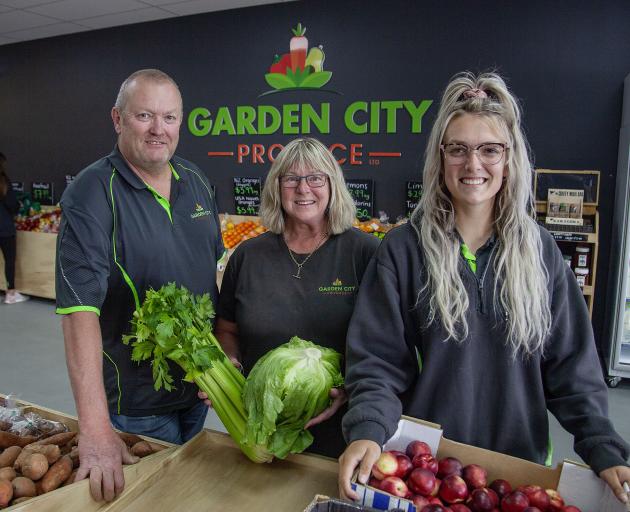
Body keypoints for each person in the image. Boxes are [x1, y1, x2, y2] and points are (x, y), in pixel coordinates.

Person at [338, 72, 630, 503]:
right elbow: (377, 361)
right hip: (429, 470)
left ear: (509, 158)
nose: (473, 165)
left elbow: (572, 367)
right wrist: (367, 429)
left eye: (489, 149)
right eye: (458, 149)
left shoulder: (539, 250)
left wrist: (603, 445)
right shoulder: (403, 249)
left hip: (517, 470)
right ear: (441, 158)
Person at [55, 69, 224, 502]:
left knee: (184, 498)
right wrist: (94, 428)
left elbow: (209, 276)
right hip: (135, 405)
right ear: (117, 118)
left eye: (169, 118)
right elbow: (78, 313)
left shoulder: (198, 182)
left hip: (197, 393)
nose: (158, 130)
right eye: (144, 115)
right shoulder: (92, 193)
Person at [206, 137, 380, 458]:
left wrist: (349, 389)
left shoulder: (365, 253)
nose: (303, 189)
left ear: (332, 185)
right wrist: (230, 363)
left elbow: (383, 345)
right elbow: (227, 329)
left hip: (340, 430)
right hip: (259, 426)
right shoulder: (248, 256)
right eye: (291, 179)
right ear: (277, 187)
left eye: (315, 178)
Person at [0, 153, 28, 304]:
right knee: (9, 260)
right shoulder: (4, 182)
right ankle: (11, 293)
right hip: (5, 228)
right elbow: (12, 205)